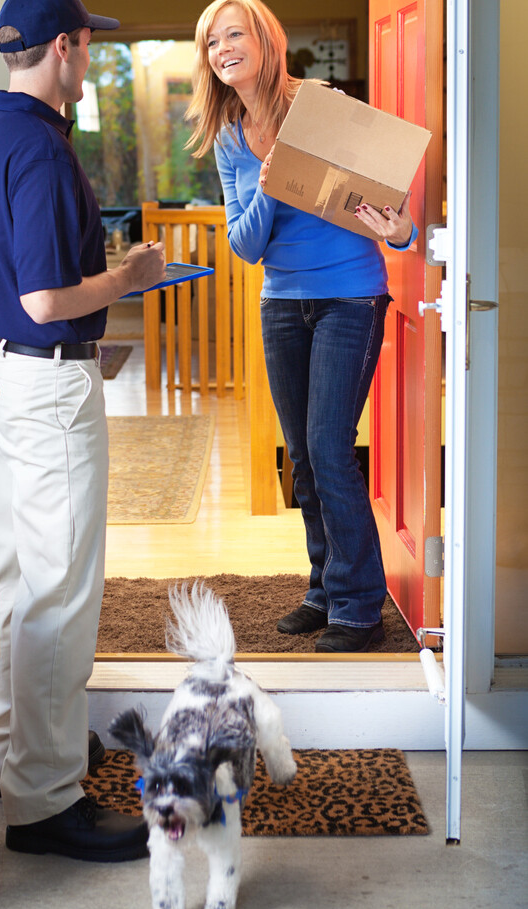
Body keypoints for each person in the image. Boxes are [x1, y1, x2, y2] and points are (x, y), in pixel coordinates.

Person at [0, 0, 165, 861]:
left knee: (15, 572)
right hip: (45, 384)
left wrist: (25, 304)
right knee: (60, 596)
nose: (89, 62)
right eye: (86, 47)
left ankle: (7, 756)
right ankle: (44, 800)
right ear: (64, 47)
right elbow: (42, 300)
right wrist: (129, 275)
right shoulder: (40, 149)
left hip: (0, 376)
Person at [186, 0, 419, 652]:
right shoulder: (231, 138)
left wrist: (404, 231)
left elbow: (389, 202)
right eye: (211, 42)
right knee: (305, 458)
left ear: (264, 40)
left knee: (328, 446)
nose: (223, 48)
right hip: (282, 305)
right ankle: (323, 589)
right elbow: (245, 244)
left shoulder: (318, 105)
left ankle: (358, 607)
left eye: (233, 34)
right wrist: (268, 183)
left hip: (349, 298)